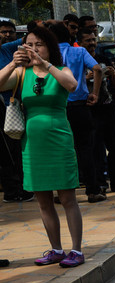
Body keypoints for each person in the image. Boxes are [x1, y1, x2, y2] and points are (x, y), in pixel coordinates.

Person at [0, 26, 85, 267]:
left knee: (68, 198)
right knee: (43, 200)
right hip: (32, 145)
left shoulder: (60, 70)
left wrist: (46, 65)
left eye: (39, 44)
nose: (33, 49)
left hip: (59, 142)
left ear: (50, 47)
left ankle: (76, 250)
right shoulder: (21, 74)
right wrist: (11, 65)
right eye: (29, 44)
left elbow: (72, 85)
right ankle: (56, 249)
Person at [50, 23, 104, 203]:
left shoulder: (49, 55)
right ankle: (93, 190)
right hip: (80, 106)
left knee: (62, 150)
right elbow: (97, 68)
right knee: (85, 149)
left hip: (58, 108)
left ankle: (65, 191)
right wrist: (94, 93)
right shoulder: (79, 52)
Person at [77, 28, 115, 195]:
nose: (92, 43)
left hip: (108, 108)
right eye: (88, 40)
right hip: (89, 110)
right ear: (79, 44)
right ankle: (99, 184)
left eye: (94, 40)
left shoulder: (103, 59)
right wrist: (87, 77)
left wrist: (113, 73)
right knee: (95, 149)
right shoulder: (77, 61)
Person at [0, 20, 34, 203]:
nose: (6, 35)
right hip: (4, 109)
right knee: (7, 152)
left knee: (20, 149)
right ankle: (12, 190)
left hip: (15, 107)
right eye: (3, 32)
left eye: (9, 32)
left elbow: (28, 38)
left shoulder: (8, 49)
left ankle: (25, 188)